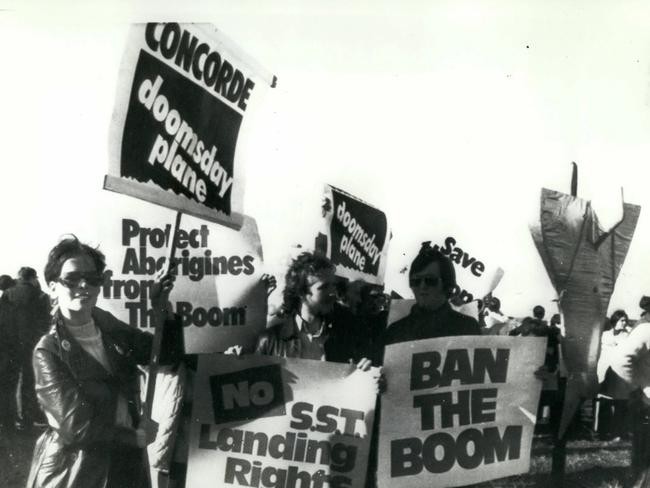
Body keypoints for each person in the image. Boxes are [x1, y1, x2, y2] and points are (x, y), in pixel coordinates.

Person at [27, 236, 177, 488]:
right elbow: (76, 427)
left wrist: (161, 307)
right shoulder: (48, 350)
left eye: (93, 278)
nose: (83, 285)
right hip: (80, 471)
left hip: (125, 466)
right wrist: (133, 437)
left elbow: (163, 355)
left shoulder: (107, 324)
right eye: (72, 279)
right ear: (53, 287)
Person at [254, 251, 360, 363]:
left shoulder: (345, 335)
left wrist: (362, 370)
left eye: (333, 285)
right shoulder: (270, 341)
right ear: (301, 292)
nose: (333, 292)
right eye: (324, 287)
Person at [382, 241, 480, 347]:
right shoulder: (395, 330)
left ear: (447, 284)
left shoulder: (467, 327)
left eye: (430, 280)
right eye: (416, 281)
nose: (422, 286)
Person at [0, 266, 50, 431]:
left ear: (20, 277)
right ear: (33, 278)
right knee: (29, 382)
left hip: (9, 345)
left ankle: (8, 420)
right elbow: (46, 323)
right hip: (31, 345)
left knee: (8, 382)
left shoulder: (7, 294)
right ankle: (27, 419)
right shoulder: (41, 296)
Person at [610, 301, 650, 487]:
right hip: (647, 401)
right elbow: (621, 360)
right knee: (645, 459)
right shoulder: (645, 330)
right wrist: (638, 388)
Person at [595, 310, 632, 441]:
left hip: (621, 375)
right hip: (605, 373)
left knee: (620, 403)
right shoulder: (604, 335)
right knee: (605, 402)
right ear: (614, 321)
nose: (624, 323)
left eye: (625, 320)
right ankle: (603, 432)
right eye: (621, 320)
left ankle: (618, 432)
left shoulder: (628, 336)